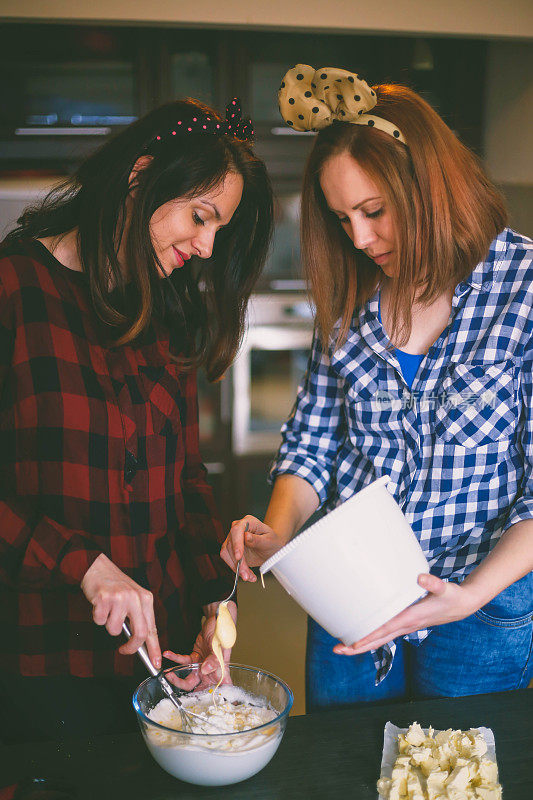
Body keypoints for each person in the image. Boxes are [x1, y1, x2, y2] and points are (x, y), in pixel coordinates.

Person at [221, 64, 533, 712]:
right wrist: (277, 534)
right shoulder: (348, 298)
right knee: (344, 771)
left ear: (426, 185)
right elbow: (310, 444)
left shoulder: (521, 288)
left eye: (373, 211)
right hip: (349, 594)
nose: (359, 239)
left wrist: (469, 596)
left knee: (453, 773)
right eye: (341, 219)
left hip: (479, 608)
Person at [0, 97, 273, 741]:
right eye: (200, 217)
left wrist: (214, 595)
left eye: (220, 231)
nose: (207, 247)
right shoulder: (15, 291)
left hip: (162, 663)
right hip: (44, 661)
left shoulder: (168, 310)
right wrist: (82, 565)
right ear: (141, 176)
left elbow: (185, 477)